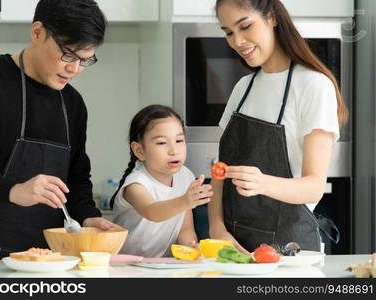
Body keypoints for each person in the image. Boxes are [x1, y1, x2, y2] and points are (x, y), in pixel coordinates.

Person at [0, 0, 118, 260]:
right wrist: (12, 190)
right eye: (68, 54)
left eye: (85, 61)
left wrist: (88, 216)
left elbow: (77, 177)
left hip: (46, 262)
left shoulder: (73, 104)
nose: (74, 69)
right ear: (37, 32)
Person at [208, 0, 348, 254]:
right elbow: (220, 168)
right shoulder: (243, 88)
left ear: (272, 18)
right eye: (228, 32)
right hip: (232, 249)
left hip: (288, 251)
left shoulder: (314, 86)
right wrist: (216, 227)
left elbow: (314, 186)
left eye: (245, 26)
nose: (238, 41)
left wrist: (262, 183)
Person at [110, 105, 213, 257]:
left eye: (179, 140)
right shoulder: (136, 184)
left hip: (162, 264)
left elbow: (185, 229)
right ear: (139, 150)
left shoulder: (185, 176)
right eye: (161, 143)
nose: (174, 150)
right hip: (126, 265)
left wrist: (192, 251)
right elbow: (152, 212)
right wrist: (186, 201)